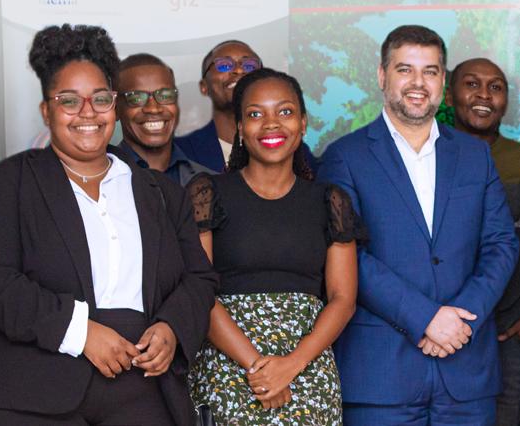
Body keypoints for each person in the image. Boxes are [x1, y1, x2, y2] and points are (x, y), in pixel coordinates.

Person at [0, 24, 218, 425]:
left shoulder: (161, 193)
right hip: (27, 390)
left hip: (140, 385)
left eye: (100, 99)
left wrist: (172, 328)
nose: (88, 113)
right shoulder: (12, 182)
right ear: (46, 111)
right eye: (69, 100)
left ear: (114, 106)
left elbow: (199, 279)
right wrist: (80, 333)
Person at [318, 25, 519, 425]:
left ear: (442, 80)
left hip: (465, 369)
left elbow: (501, 244)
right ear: (382, 76)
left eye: (430, 71)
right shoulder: (345, 157)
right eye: (405, 69)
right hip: (381, 377)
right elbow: (348, 255)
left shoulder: (475, 156)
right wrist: (426, 317)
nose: (418, 83)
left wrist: (460, 318)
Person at [188, 68, 363, 425]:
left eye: (285, 111)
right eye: (256, 114)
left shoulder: (330, 201)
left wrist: (291, 365)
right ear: (240, 128)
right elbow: (198, 292)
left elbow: (343, 299)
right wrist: (257, 366)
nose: (271, 123)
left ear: (303, 124)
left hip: (307, 372)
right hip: (229, 369)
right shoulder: (207, 193)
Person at [448, 57, 520, 426]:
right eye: (471, 84)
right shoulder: (429, 154)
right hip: (444, 322)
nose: (484, 95)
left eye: (496, 87)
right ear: (449, 94)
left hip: (509, 327)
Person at [178, 40, 317, 172]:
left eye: (249, 66)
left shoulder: (298, 153)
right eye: (224, 65)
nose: (239, 70)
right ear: (204, 86)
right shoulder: (180, 151)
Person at [116, 53, 211, 186]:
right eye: (137, 98)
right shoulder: (98, 180)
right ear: (115, 109)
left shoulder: (213, 182)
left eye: (165, 95)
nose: (153, 109)